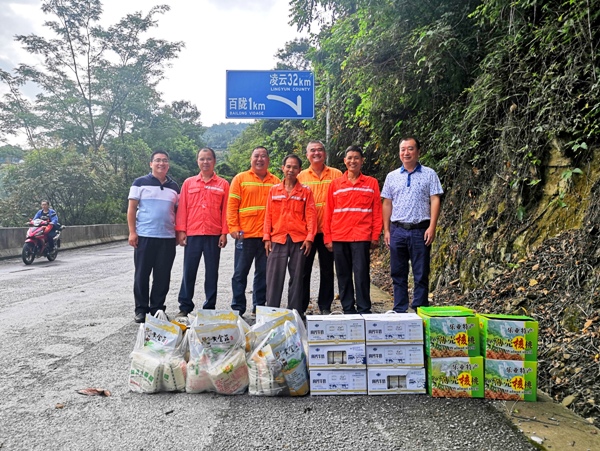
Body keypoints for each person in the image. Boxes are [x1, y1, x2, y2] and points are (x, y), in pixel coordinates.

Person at [381, 137, 443, 313]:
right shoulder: (392, 176)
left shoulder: (429, 174)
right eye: (403, 149)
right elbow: (387, 203)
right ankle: (400, 309)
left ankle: (420, 309)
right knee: (398, 272)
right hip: (397, 230)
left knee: (421, 272)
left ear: (418, 151)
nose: (406, 153)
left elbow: (435, 199)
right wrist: (386, 230)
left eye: (410, 149)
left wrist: (432, 226)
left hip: (420, 230)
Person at [323, 145, 382, 314]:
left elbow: (377, 211)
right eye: (349, 158)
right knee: (343, 274)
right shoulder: (335, 185)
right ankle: (348, 308)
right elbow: (328, 212)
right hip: (339, 236)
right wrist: (328, 237)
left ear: (362, 161)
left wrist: (375, 235)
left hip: (361, 236)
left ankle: (364, 308)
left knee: (362, 273)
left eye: (356, 158)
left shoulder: (371, 183)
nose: (353, 161)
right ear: (344, 161)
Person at [175, 148, 229, 316]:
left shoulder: (223, 184)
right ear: (197, 161)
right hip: (193, 233)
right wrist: (181, 230)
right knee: (189, 270)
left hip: (213, 234)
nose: (205, 162)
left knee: (212, 272)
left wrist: (224, 233)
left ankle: (209, 306)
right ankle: (185, 306)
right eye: (202, 159)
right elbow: (182, 208)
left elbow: (226, 210)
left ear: (214, 161)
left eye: (208, 159)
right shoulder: (188, 183)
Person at [227, 146, 280, 317]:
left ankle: (259, 306)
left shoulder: (276, 181)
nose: (260, 159)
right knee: (240, 273)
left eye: (263, 156)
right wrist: (233, 227)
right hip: (245, 235)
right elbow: (232, 206)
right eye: (256, 156)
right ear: (251, 159)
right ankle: (238, 307)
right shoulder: (240, 179)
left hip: (267, 236)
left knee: (263, 273)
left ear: (268, 160)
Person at [127, 151, 180, 323]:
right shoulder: (139, 183)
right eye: (157, 160)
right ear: (151, 164)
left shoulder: (174, 187)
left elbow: (178, 212)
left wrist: (179, 232)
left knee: (162, 276)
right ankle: (141, 310)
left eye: (164, 161)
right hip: (145, 236)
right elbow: (131, 209)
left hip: (167, 237)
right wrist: (132, 232)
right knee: (142, 274)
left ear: (168, 165)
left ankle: (157, 309)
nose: (161, 163)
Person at [264, 154, 317, 314]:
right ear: (283, 168)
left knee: (298, 278)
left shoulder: (305, 191)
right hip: (277, 238)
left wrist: (310, 238)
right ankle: (271, 313)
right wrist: (266, 237)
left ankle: (294, 313)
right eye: (288, 166)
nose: (291, 170)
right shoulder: (274, 190)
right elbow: (268, 215)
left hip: (299, 240)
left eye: (295, 167)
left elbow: (311, 215)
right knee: (274, 278)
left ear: (300, 170)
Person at [297, 140, 343, 315]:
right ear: (307, 155)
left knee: (327, 270)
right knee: (303, 270)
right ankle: (301, 306)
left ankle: (325, 306)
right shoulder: (301, 176)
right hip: (306, 233)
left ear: (325, 153)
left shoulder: (336, 174)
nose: (316, 153)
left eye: (320, 150)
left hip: (328, 231)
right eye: (312, 150)